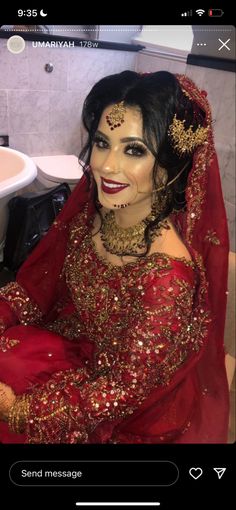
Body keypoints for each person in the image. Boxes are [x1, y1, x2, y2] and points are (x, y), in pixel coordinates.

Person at [0, 70, 229, 444]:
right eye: (103, 143)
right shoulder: (96, 212)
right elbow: (37, 289)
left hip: (125, 409)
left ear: (174, 166)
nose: (106, 165)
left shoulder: (168, 278)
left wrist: (21, 412)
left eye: (134, 150)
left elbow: (124, 391)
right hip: (79, 348)